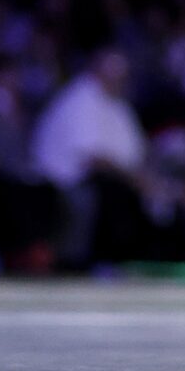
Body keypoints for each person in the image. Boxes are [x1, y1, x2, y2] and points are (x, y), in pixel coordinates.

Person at [31, 48, 146, 268]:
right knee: (108, 190)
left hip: (95, 175)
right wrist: (133, 178)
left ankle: (120, 260)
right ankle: (79, 263)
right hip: (60, 177)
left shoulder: (118, 103)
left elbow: (134, 150)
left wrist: (142, 177)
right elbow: (91, 158)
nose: (119, 81)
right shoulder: (81, 97)